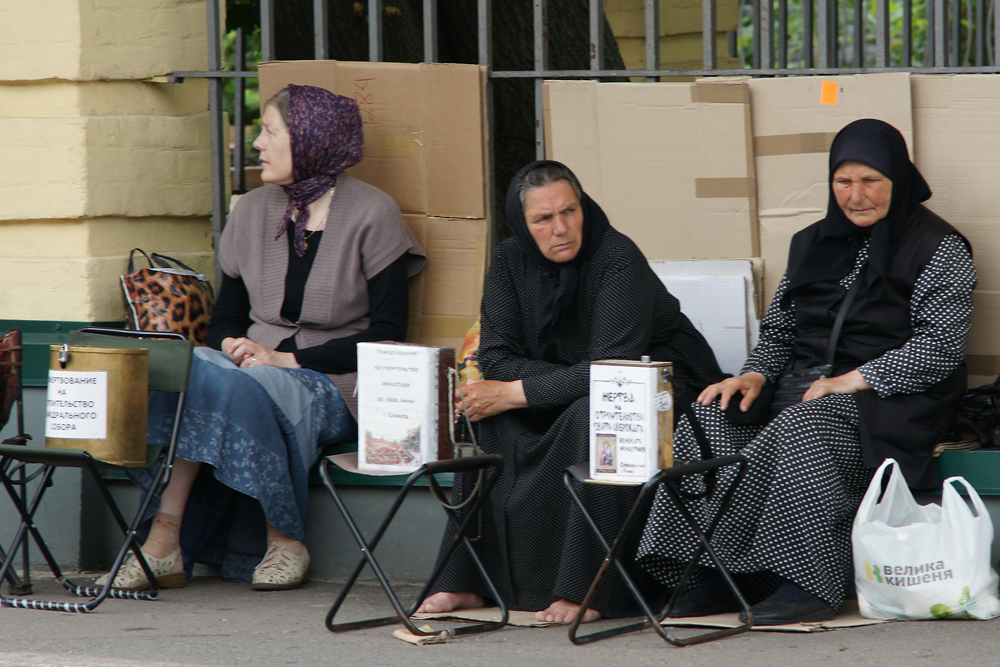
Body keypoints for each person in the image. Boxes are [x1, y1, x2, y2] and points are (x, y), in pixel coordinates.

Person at [636, 118, 976, 625]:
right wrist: (752, 376)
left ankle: (806, 581)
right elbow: (777, 334)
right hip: (800, 389)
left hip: (890, 402)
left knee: (802, 427)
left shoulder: (939, 247)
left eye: (871, 181)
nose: (856, 195)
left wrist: (852, 380)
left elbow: (940, 346)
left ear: (898, 179)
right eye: (844, 182)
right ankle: (706, 575)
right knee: (708, 413)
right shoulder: (811, 241)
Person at [99, 84, 425, 592]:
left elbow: (388, 334)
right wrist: (235, 346)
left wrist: (286, 359)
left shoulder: (373, 213)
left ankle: (272, 538)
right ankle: (167, 541)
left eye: (270, 132)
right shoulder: (251, 210)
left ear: (312, 140)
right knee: (198, 371)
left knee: (235, 386)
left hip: (334, 380)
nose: (257, 143)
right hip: (250, 368)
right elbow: (226, 317)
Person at [418, 160, 725, 623]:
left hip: (659, 390)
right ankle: (467, 581)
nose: (561, 228)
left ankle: (590, 588)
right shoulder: (508, 260)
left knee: (594, 412)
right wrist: (533, 387)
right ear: (522, 225)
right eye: (543, 219)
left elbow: (613, 370)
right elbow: (496, 357)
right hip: (570, 385)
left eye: (570, 211)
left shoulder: (617, 257)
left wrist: (523, 390)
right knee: (485, 412)